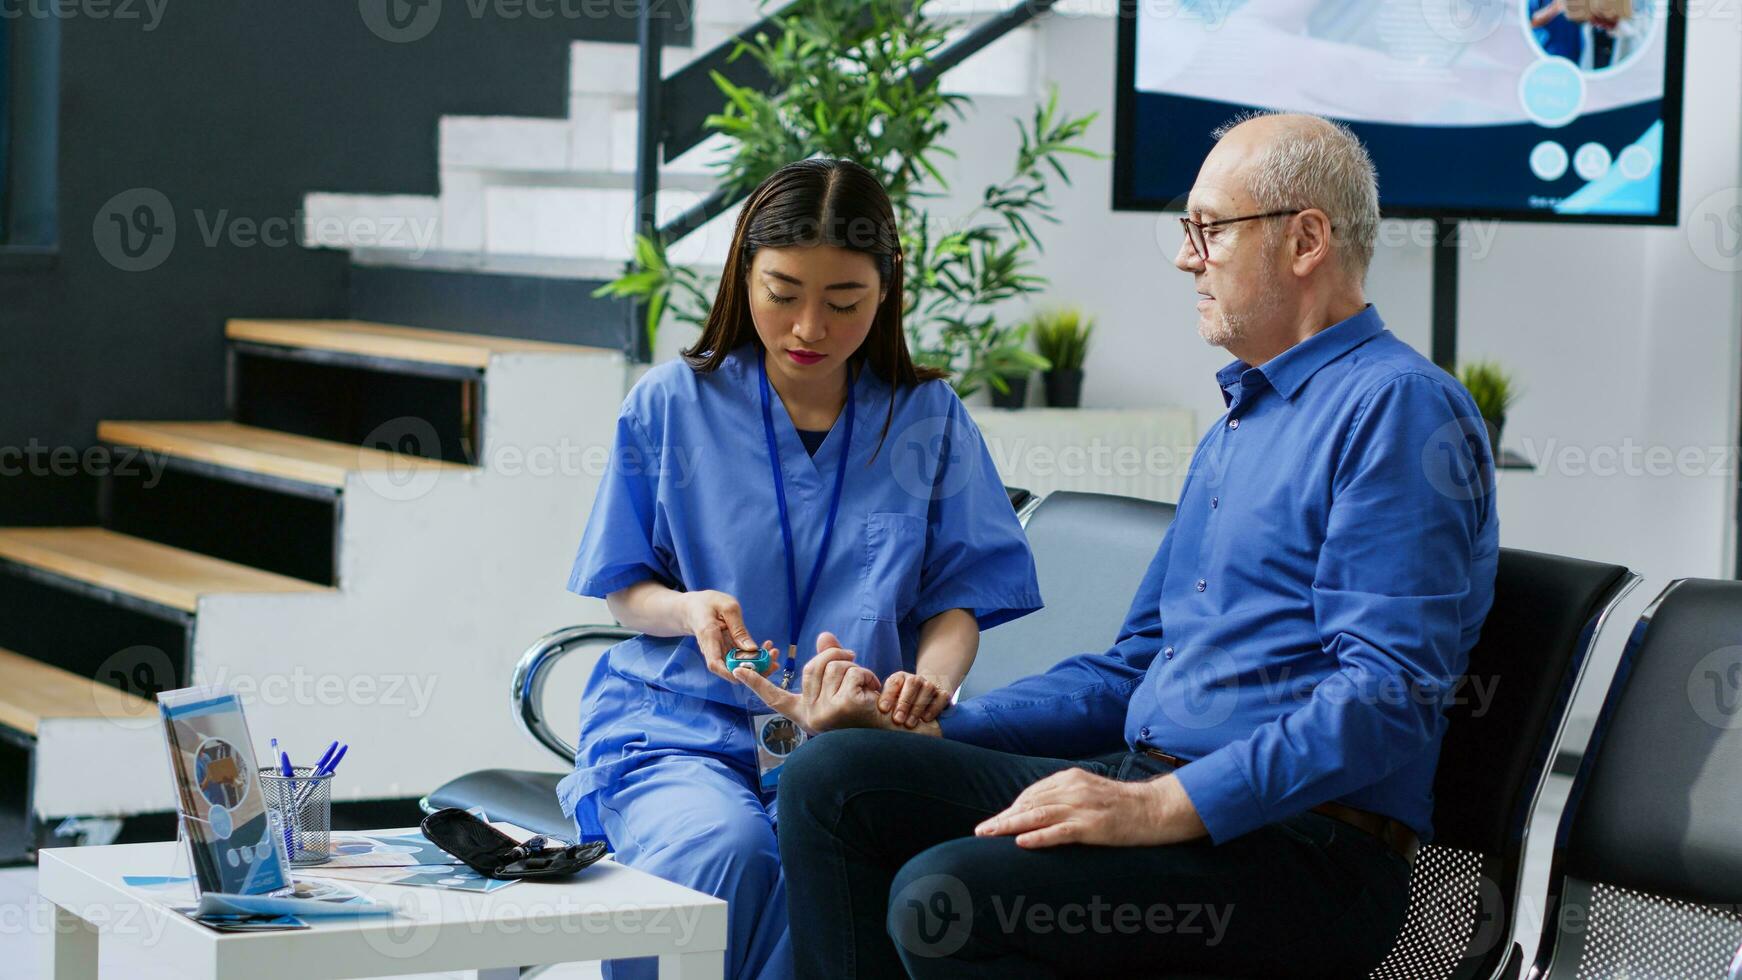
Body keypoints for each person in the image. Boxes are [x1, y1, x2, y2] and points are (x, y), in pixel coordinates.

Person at [745, 113, 1499, 978]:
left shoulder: (1397, 409)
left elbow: (1390, 693)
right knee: (834, 777)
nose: (1188, 257)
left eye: (1208, 229)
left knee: (944, 893)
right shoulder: (1240, 425)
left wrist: (1162, 806)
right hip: (1154, 776)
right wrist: (932, 728)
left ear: (1305, 240)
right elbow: (1133, 665)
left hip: (1308, 849)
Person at [557, 158, 1044, 980]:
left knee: (814, 872)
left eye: (844, 301)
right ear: (742, 274)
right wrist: (689, 610)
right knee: (726, 853)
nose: (809, 327)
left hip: (850, 737)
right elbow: (624, 589)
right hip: (684, 725)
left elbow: (960, 596)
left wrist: (925, 686)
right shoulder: (670, 404)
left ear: (885, 291)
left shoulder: (927, 418)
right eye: (783, 293)